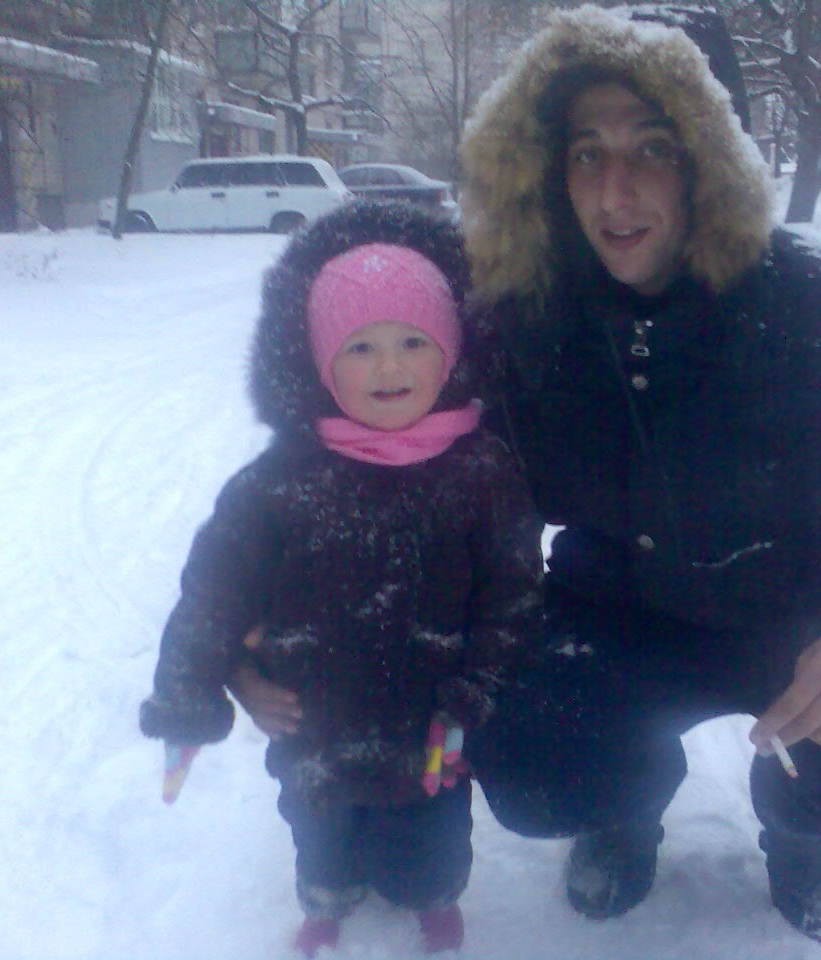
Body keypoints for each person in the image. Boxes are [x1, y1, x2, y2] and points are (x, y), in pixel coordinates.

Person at [233, 3, 821, 945]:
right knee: (532, 757)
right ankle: (621, 808)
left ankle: (805, 822)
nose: (614, 192)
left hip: (808, 620)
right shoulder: (525, 325)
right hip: (614, 614)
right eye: (587, 153)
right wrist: (268, 610)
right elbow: (393, 464)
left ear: (715, 158)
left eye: (654, 148)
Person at [138, 200, 543, 957]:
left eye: (412, 341)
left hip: (429, 723)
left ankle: (431, 896)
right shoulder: (280, 481)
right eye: (360, 348)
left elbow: (514, 595)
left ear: (451, 353)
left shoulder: (483, 473)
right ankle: (328, 898)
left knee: (427, 843)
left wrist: (475, 690)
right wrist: (189, 694)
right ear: (322, 363)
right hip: (313, 722)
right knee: (318, 833)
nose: (389, 367)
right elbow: (214, 591)